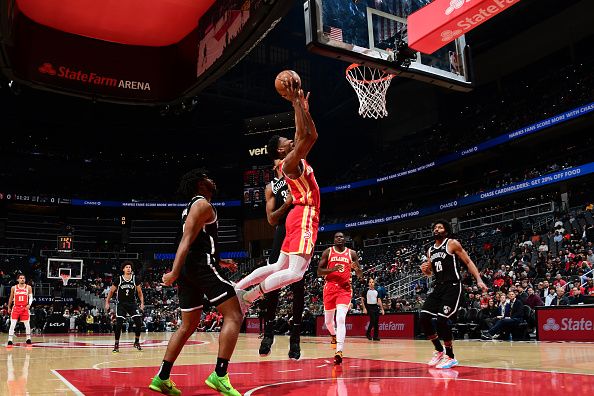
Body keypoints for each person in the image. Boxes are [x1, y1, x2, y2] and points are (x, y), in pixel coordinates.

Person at [148, 169, 242, 396]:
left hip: (192, 268)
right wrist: (173, 272)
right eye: (208, 177)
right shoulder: (202, 205)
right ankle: (220, 375)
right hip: (199, 266)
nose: (213, 179)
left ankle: (161, 377)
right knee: (234, 315)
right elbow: (186, 241)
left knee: (188, 325)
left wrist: (222, 260)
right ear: (201, 183)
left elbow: (199, 240)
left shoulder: (191, 207)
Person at [235, 77, 319, 313]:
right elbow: (309, 136)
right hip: (304, 213)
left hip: (295, 218)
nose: (291, 139)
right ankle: (249, 297)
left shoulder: (293, 159)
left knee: (278, 265)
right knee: (294, 273)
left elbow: (304, 132)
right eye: (286, 141)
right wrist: (295, 104)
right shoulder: (291, 162)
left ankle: (237, 287)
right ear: (281, 150)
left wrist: (300, 108)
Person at [420, 219, 488, 369]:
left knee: (441, 320)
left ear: (446, 230)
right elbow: (431, 272)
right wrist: (425, 271)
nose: (436, 229)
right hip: (438, 287)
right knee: (424, 316)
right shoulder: (430, 250)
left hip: (453, 287)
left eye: (440, 227)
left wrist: (479, 280)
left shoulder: (452, 243)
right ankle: (439, 350)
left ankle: (450, 356)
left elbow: (468, 261)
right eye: (435, 227)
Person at [258, 157, 306, 360]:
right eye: (280, 161)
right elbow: (270, 219)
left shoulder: (296, 176)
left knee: (298, 284)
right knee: (273, 286)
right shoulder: (270, 187)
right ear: (275, 166)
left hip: (300, 228)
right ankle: (268, 335)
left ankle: (295, 339)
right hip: (281, 231)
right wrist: (286, 205)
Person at [318, 232, 363, 364]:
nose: (339, 238)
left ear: (345, 239)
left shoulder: (352, 253)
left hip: (344, 289)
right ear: (334, 239)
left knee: (341, 318)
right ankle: (333, 334)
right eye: (336, 237)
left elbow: (360, 275)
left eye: (341, 237)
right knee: (328, 322)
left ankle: (339, 351)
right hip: (330, 288)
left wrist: (357, 269)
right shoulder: (328, 252)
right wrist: (332, 269)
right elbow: (319, 271)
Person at [105, 261, 145, 352]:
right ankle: (116, 345)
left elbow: (140, 293)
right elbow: (111, 292)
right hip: (121, 304)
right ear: (123, 269)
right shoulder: (118, 279)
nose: (128, 268)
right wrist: (107, 302)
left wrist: (142, 303)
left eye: (130, 267)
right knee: (119, 324)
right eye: (126, 267)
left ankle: (136, 342)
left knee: (139, 322)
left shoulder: (135, 279)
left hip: (132, 304)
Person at [7, 274, 33, 346]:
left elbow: (31, 297)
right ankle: (10, 340)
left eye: (23, 278)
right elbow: (11, 298)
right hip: (16, 307)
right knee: (12, 324)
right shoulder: (14, 288)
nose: (22, 279)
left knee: (27, 324)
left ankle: (28, 338)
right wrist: (9, 307)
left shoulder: (28, 287)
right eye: (21, 278)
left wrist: (29, 304)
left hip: (24, 308)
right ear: (17, 280)